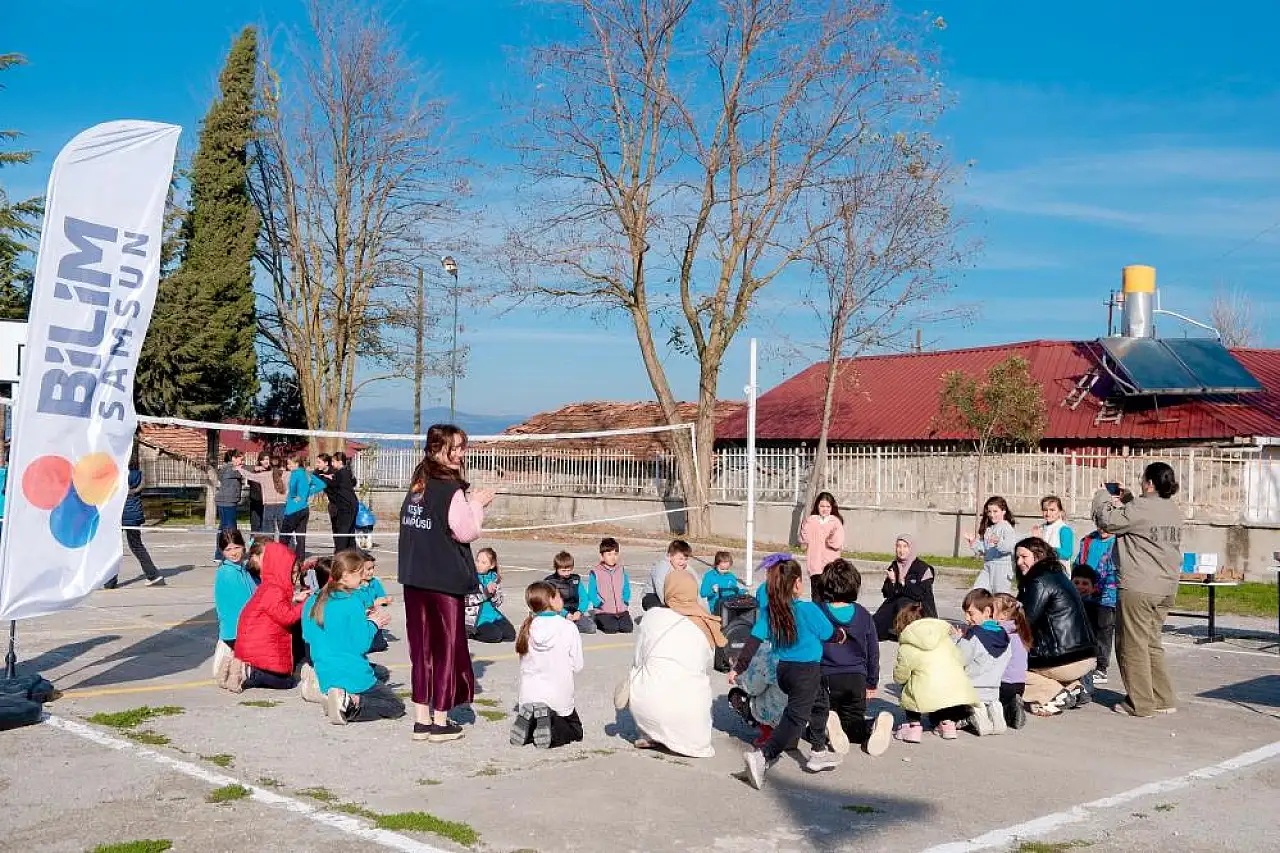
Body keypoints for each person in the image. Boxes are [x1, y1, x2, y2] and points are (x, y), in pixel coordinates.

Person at [398, 424, 493, 743]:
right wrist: (477, 504)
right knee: (445, 649)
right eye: (457, 447)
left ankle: (421, 719)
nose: (462, 453)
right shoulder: (449, 487)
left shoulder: (418, 482)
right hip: (441, 579)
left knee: (421, 648)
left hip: (414, 576)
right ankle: (440, 721)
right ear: (441, 448)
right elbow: (465, 532)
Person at [738, 558, 838, 790]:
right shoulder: (808, 609)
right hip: (806, 671)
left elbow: (753, 641)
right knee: (795, 718)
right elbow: (829, 633)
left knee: (820, 702)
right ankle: (763, 755)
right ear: (796, 584)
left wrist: (738, 668)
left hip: (784, 669)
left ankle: (818, 750)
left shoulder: (770, 612)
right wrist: (841, 637)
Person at [1092, 464, 1183, 718]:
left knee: (1132, 644)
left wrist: (1102, 496)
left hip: (1140, 585)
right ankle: (1162, 697)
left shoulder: (1140, 508)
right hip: (1166, 586)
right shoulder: (1172, 509)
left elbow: (1107, 521)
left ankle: (1140, 703)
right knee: (1152, 642)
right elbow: (1143, 520)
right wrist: (1129, 498)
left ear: (1149, 482)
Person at [627, 571, 724, 758]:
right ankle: (680, 734)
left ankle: (650, 732)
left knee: (640, 671)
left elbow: (639, 659)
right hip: (691, 726)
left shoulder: (652, 616)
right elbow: (704, 665)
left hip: (647, 709)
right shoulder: (706, 625)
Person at [303, 550, 404, 725]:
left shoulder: (315, 598)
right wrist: (373, 624)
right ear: (345, 576)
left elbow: (308, 635)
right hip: (349, 673)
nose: (363, 576)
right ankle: (350, 704)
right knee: (395, 706)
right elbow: (361, 645)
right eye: (359, 573)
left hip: (324, 668)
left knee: (381, 672)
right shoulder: (352, 601)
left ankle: (325, 692)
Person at [813, 558, 894, 757]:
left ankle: (827, 723)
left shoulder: (818, 612)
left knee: (815, 723)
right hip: (857, 678)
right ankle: (872, 726)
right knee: (853, 725)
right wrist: (872, 682)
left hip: (826, 677)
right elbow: (873, 651)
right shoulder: (864, 614)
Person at [1014, 537, 1097, 716]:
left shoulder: (1039, 581)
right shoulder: (1058, 575)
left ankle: (1051, 693)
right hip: (1086, 655)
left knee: (1010, 666)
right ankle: (1075, 687)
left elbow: (1024, 621)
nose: (1019, 562)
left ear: (1039, 555)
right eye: (1017, 558)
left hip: (1063, 659)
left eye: (1024, 557)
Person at [222, 541, 310, 693]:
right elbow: (286, 617)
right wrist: (305, 605)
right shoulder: (275, 590)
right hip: (259, 649)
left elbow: (276, 608)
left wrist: (295, 600)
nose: (294, 578)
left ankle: (232, 666)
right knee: (286, 681)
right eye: (292, 573)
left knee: (284, 676)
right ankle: (247, 671)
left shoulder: (268, 586)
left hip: (251, 646)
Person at [510, 581, 584, 749]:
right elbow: (578, 665)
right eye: (558, 595)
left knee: (538, 718)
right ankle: (551, 723)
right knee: (575, 730)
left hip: (528, 695)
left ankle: (529, 726)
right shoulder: (567, 626)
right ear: (550, 600)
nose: (562, 598)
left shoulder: (527, 627)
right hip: (557, 695)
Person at [890, 602, 979, 743]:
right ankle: (947, 724)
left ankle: (914, 726)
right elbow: (959, 659)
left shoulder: (908, 645)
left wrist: (901, 680)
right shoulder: (944, 638)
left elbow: (900, 676)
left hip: (927, 692)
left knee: (910, 684)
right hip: (952, 693)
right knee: (942, 684)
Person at [954, 588, 1011, 736]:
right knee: (990, 702)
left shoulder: (974, 635)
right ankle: (995, 713)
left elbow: (958, 658)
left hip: (972, 687)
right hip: (994, 688)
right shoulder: (1004, 635)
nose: (967, 618)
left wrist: (957, 639)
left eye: (970, 613)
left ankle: (976, 714)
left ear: (986, 611)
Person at [107, 451, 164, 588]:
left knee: (114, 548)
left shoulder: (120, 476)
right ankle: (153, 574)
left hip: (122, 516)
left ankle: (110, 581)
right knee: (137, 546)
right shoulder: (137, 474)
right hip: (135, 515)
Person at [1075, 520, 1121, 685]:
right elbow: (1078, 563)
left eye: (1107, 524)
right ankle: (1085, 663)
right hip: (1085, 594)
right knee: (1086, 629)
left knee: (1103, 631)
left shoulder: (1118, 543)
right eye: (1100, 524)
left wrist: (1097, 587)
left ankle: (1101, 667)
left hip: (1107, 596)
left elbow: (1113, 570)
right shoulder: (1088, 540)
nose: (1103, 528)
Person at [211, 530, 259, 677]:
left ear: (243, 546)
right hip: (236, 632)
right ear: (222, 551)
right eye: (228, 550)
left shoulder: (243, 568)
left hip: (242, 630)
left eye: (236, 547)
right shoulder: (227, 572)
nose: (233, 553)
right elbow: (247, 603)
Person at [873, 533, 937, 641]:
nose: (901, 550)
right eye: (898, 546)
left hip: (920, 610)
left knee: (903, 601)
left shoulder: (923, 569)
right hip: (898, 607)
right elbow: (887, 594)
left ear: (911, 548)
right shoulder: (894, 566)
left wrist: (903, 584)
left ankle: (905, 631)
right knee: (875, 625)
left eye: (905, 546)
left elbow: (920, 594)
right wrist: (892, 582)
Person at [727, 638, 786, 749]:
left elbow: (753, 688)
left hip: (778, 711)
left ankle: (769, 734)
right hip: (801, 709)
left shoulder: (767, 649)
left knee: (736, 695)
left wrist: (737, 678)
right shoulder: (805, 643)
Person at [964, 496, 1017, 595]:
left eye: (995, 511)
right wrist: (973, 542)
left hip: (1002, 568)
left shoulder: (1006, 527)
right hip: (988, 566)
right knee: (978, 592)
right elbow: (985, 548)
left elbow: (1010, 547)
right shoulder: (989, 529)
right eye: (989, 511)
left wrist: (998, 542)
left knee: (1000, 597)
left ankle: (1007, 610)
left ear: (1003, 511)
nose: (992, 515)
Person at [992, 592, 1030, 730]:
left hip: (1003, 683)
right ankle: (1014, 705)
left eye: (991, 610)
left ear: (1003, 615)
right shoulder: (1019, 632)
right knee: (1006, 704)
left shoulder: (999, 632)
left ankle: (1009, 709)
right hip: (1020, 684)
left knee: (994, 705)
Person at [467, 547, 517, 643]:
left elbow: (498, 602)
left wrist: (494, 593)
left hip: (492, 614)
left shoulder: (493, 578)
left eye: (483, 562)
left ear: (491, 565)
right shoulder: (470, 578)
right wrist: (486, 593)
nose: (478, 565)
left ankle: (489, 628)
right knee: (495, 636)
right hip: (477, 618)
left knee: (510, 635)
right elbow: (467, 600)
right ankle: (470, 633)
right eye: (477, 561)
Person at [281, 455, 327, 558]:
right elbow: (322, 484)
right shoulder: (307, 473)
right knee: (301, 537)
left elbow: (292, 486)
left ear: (297, 464)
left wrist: (293, 495)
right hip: (304, 509)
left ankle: (281, 557)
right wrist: (307, 493)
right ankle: (300, 559)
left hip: (292, 509)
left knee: (284, 537)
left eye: (289, 464)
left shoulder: (295, 473)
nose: (288, 466)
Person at [586, 537, 633, 634]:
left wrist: (625, 600)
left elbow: (626, 586)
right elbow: (591, 592)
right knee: (611, 629)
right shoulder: (595, 572)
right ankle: (598, 620)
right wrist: (598, 604)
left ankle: (618, 619)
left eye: (615, 554)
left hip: (621, 609)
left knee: (627, 628)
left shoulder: (621, 569)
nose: (613, 557)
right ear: (602, 556)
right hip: (604, 610)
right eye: (609, 554)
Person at [545, 551, 595, 634]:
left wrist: (579, 612)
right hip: (558, 613)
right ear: (556, 568)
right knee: (555, 630)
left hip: (574, 613)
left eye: (569, 570)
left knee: (591, 628)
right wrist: (565, 614)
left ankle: (569, 626)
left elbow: (584, 598)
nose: (567, 573)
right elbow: (550, 603)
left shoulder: (576, 580)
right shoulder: (549, 582)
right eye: (563, 570)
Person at [798, 492, 845, 579]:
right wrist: (804, 525)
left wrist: (831, 537)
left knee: (829, 591)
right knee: (816, 591)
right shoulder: (812, 520)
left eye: (828, 507)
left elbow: (837, 543)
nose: (825, 509)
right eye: (822, 506)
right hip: (814, 566)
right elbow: (803, 540)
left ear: (832, 507)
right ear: (817, 506)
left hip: (831, 567)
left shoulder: (835, 522)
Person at [354, 549, 393, 652]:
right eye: (368, 569)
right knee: (364, 646)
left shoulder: (374, 582)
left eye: (372, 568)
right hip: (358, 619)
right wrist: (373, 603)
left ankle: (374, 641)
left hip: (372, 618)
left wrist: (386, 600)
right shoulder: (353, 586)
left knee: (379, 646)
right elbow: (355, 606)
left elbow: (381, 597)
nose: (371, 572)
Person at [246, 456, 289, 541]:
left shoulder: (264, 475)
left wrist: (239, 469)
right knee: (284, 531)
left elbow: (249, 475)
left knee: (268, 532)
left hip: (268, 505)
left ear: (270, 465)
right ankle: (288, 550)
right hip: (282, 504)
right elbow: (305, 478)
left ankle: (269, 550)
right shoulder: (287, 474)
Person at [323, 451, 360, 552]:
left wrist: (325, 478)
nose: (332, 464)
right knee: (350, 532)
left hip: (346, 506)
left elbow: (332, 484)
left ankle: (340, 555)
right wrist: (331, 477)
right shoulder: (347, 472)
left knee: (342, 532)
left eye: (334, 461)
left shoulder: (340, 473)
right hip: (353, 504)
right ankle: (352, 555)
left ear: (340, 462)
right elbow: (352, 482)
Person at [213, 450, 246, 561]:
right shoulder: (230, 468)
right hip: (227, 502)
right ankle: (228, 553)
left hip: (225, 501)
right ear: (233, 458)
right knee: (231, 529)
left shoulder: (227, 468)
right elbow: (244, 472)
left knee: (223, 528)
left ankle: (219, 554)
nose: (242, 462)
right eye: (241, 459)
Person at [644, 539, 694, 610]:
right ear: (670, 556)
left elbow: (695, 583)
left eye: (685, 559)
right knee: (663, 609)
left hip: (673, 595)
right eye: (680, 559)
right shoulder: (661, 567)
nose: (682, 562)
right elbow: (660, 589)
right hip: (654, 595)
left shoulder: (686, 567)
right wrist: (671, 606)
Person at [1031, 495, 1075, 571]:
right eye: (1045, 510)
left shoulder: (1064, 529)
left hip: (1058, 572)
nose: (1048, 513)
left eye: (1052, 510)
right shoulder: (1041, 528)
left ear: (1060, 512)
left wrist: (1043, 544)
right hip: (1042, 570)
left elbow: (1067, 554)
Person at [699, 550, 743, 617]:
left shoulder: (731, 576)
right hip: (717, 609)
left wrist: (742, 592)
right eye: (722, 568)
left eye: (727, 568)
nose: (724, 571)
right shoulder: (709, 576)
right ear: (716, 564)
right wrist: (713, 591)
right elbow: (703, 593)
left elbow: (735, 590)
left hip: (731, 606)